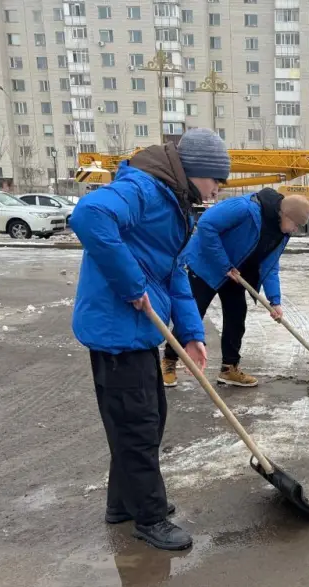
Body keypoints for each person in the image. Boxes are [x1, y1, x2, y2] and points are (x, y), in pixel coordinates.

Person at [71, 127, 230, 551]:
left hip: (139, 331)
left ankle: (123, 504)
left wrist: (192, 333)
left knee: (145, 420)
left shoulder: (177, 203)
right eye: (216, 180)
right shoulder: (142, 188)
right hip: (117, 331)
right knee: (138, 428)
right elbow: (88, 216)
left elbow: (175, 272)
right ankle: (150, 518)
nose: (216, 190)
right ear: (196, 171)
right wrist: (130, 282)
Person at [163, 189, 309, 387]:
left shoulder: (280, 234)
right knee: (192, 314)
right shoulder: (245, 208)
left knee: (236, 316)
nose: (294, 230)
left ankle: (229, 368)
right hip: (205, 265)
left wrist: (275, 301)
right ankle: (169, 361)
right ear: (284, 215)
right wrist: (223, 264)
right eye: (295, 224)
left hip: (235, 274)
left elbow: (270, 266)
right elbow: (207, 225)